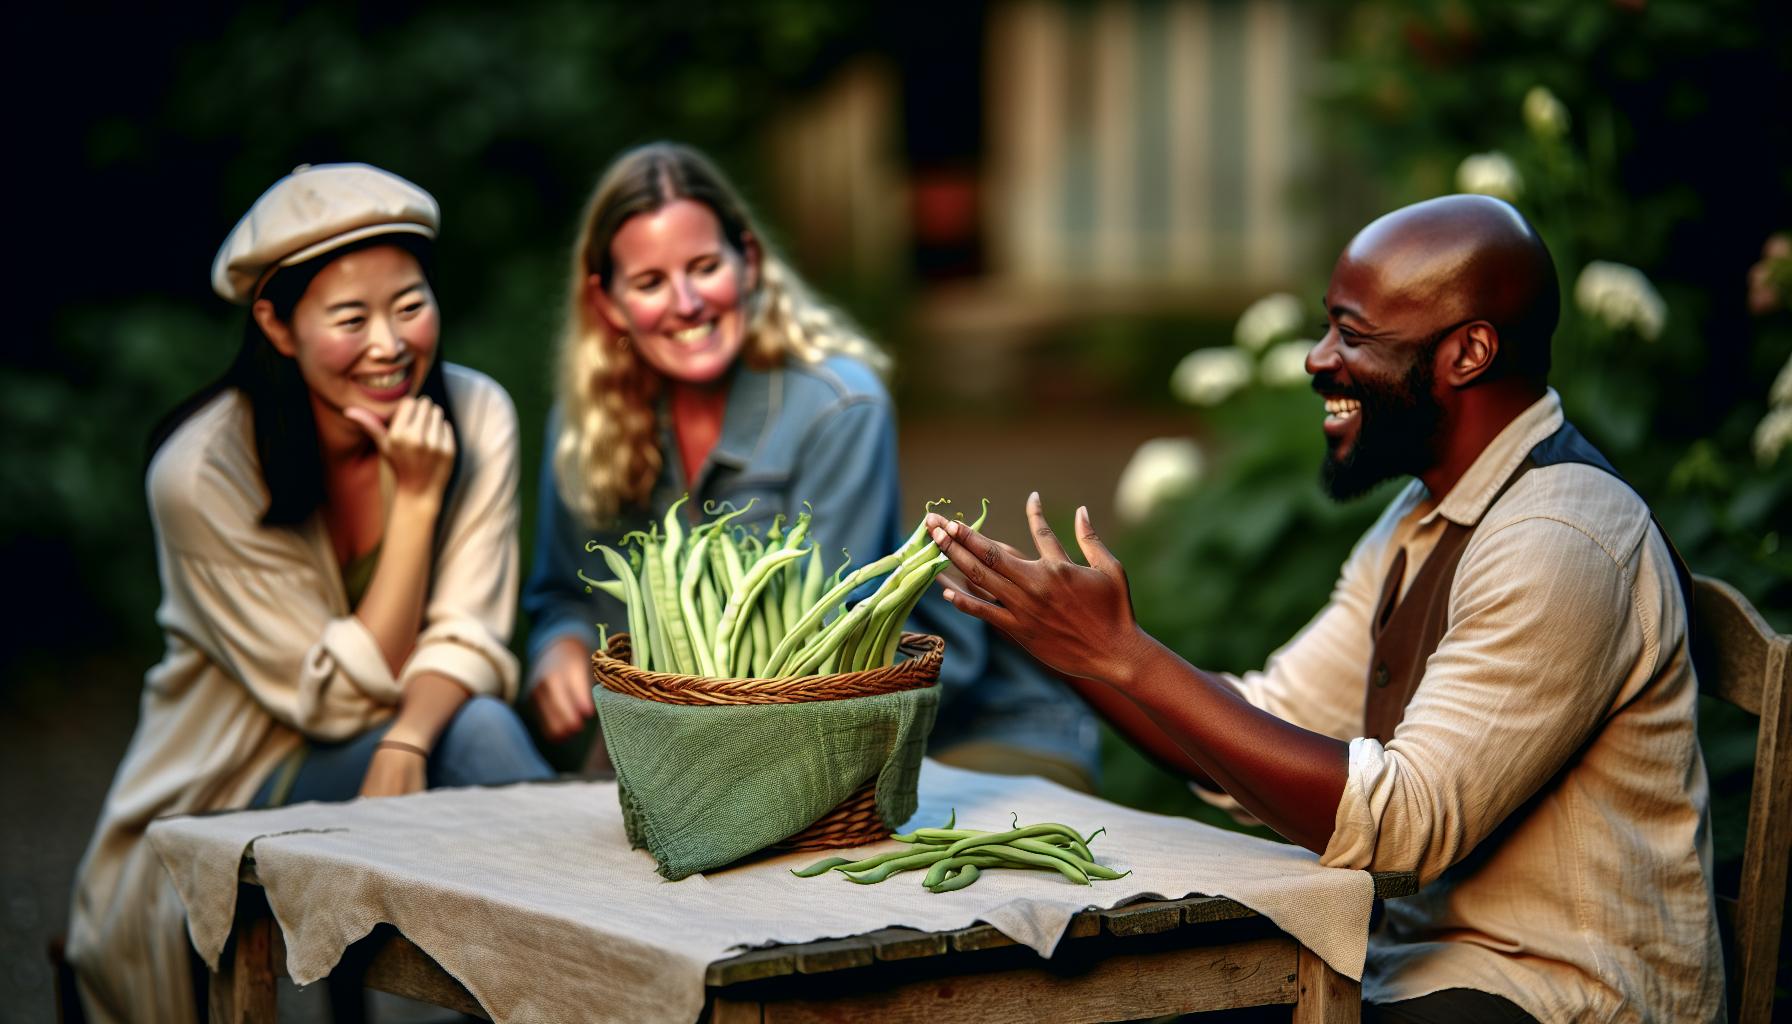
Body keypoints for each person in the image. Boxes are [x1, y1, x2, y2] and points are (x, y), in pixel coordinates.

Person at [924, 195, 1723, 1022]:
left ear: (1468, 353)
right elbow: (1259, 723)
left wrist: (1127, 655)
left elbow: (1403, 829)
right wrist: (1062, 640)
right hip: (1416, 971)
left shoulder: (1561, 537)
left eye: (1352, 333)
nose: (1317, 359)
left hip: (1560, 997)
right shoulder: (1423, 515)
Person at [67, 163, 553, 1022]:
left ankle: (582, 976)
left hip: (410, 736)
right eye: (349, 317)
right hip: (239, 774)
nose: (389, 345)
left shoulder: (477, 412)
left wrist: (404, 739)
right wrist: (419, 504)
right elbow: (328, 701)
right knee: (467, 740)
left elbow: (471, 635)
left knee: (477, 726)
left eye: (409, 305)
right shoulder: (203, 470)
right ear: (277, 325)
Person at [523, 141, 1098, 790]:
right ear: (607, 302)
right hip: (718, 739)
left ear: (750, 262)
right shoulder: (585, 428)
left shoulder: (839, 405)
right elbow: (560, 596)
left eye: (705, 266)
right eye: (651, 282)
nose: (685, 302)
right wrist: (561, 648)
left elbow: (827, 640)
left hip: (964, 723)